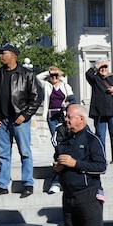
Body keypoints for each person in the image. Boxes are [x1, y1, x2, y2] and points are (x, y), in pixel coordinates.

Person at [53, 105, 107, 226]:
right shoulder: (65, 140)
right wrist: (58, 167)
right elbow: (58, 160)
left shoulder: (93, 140)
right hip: (68, 195)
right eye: (66, 117)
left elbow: (101, 166)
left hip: (88, 194)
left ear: (81, 119)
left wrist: (76, 164)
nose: (66, 120)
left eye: (69, 117)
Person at [0, 43, 41, 198]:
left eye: (3, 53)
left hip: (19, 120)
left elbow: (36, 97)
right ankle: (2, 184)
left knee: (25, 152)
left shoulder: (27, 74)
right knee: (3, 154)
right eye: (0, 53)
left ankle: (27, 183)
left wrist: (25, 115)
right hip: (1, 121)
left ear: (13, 56)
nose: (0, 56)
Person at [37, 65, 75, 193]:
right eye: (52, 76)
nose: (54, 78)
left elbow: (72, 98)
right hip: (52, 115)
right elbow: (38, 77)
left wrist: (67, 104)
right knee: (56, 141)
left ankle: (62, 167)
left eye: (56, 76)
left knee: (65, 140)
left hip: (63, 115)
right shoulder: (47, 85)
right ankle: (59, 163)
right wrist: (49, 72)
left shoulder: (65, 85)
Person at [86, 60, 113, 163]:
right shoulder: (95, 78)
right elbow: (88, 74)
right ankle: (101, 158)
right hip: (99, 112)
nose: (103, 69)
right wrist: (97, 66)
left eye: (105, 67)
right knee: (100, 136)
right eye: (101, 68)